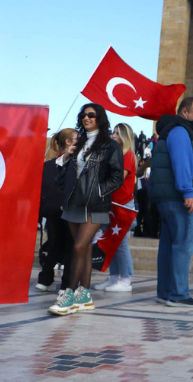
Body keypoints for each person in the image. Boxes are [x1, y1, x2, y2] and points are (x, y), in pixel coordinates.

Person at [49, 104, 124, 316]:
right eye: (83, 115)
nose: (86, 118)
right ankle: (85, 295)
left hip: (96, 204)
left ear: (100, 118)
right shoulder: (79, 143)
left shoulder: (110, 145)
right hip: (74, 202)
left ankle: (69, 295)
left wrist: (99, 191)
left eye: (91, 114)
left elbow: (117, 177)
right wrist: (66, 157)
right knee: (84, 248)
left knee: (79, 246)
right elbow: (63, 175)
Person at [150, 97, 193, 308]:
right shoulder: (180, 130)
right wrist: (188, 192)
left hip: (171, 198)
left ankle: (166, 292)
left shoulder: (176, 130)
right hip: (180, 199)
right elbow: (182, 161)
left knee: (170, 245)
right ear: (184, 112)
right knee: (185, 244)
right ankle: (178, 294)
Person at [93, 123, 138, 292]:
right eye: (113, 132)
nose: (113, 136)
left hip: (122, 204)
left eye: (117, 134)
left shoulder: (127, 155)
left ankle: (126, 280)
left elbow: (118, 178)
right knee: (111, 241)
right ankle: (113, 277)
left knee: (121, 242)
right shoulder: (117, 154)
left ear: (125, 137)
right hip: (112, 203)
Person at [36, 129, 76, 292]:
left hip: (52, 209)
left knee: (54, 244)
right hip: (68, 208)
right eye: (77, 138)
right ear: (68, 141)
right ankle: (66, 284)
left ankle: (45, 279)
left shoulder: (48, 165)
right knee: (69, 246)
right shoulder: (71, 163)